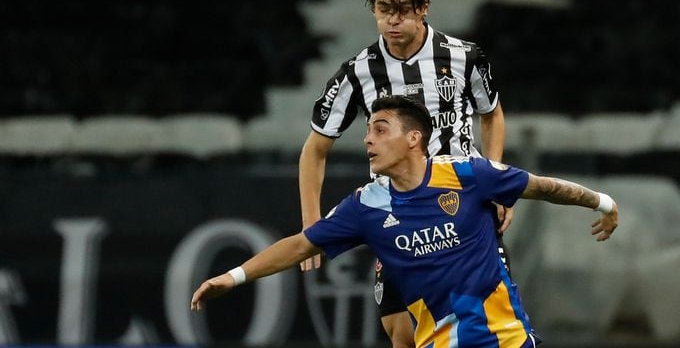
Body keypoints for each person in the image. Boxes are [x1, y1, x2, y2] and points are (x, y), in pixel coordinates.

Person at [191, 96, 619, 348]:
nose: (366, 140)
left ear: (414, 138)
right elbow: (301, 245)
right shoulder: (365, 206)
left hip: (507, 341)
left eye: (379, 129)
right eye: (368, 131)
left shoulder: (469, 174)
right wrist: (234, 276)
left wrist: (603, 202)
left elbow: (542, 186)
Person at [299, 0, 510, 347]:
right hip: (398, 217)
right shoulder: (358, 73)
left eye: (402, 10)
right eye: (383, 10)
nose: (392, 21)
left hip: (461, 206)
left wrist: (496, 177)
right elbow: (315, 149)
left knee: (481, 325)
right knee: (403, 334)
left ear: (423, 6)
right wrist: (312, 226)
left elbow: (492, 114)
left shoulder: (464, 58)